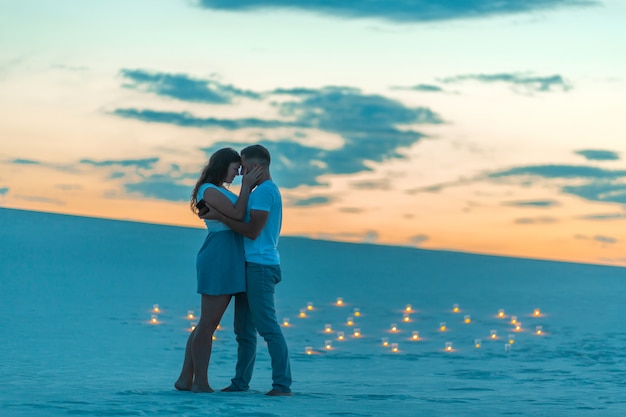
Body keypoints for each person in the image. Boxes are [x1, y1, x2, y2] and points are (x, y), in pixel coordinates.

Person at [202, 144, 292, 396]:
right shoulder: (258, 192)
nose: (240, 173)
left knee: (267, 327)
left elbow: (252, 231)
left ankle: (282, 385)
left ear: (256, 167)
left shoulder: (265, 192)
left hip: (261, 266)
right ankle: (240, 383)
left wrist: (220, 217)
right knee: (244, 330)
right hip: (248, 264)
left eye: (243, 168)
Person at [174, 147, 262, 393]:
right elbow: (237, 213)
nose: (237, 174)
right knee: (208, 323)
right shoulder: (209, 190)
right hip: (219, 254)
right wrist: (246, 187)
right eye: (235, 169)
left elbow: (238, 216)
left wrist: (246, 189)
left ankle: (185, 378)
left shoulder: (220, 191)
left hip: (230, 254)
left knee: (207, 322)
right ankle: (200, 382)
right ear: (223, 165)